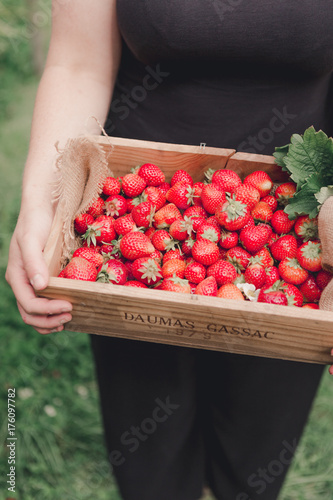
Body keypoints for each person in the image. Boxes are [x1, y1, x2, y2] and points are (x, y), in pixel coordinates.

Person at [5, 1, 333, 499]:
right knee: (149, 455)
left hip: (301, 212)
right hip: (126, 206)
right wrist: (39, 205)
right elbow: (77, 61)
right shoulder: (137, 239)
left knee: (258, 455)